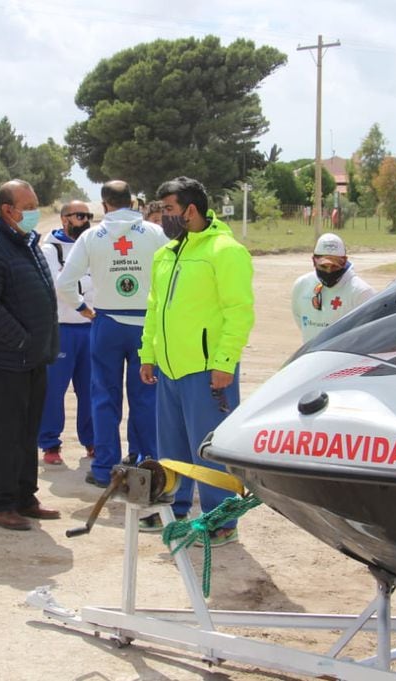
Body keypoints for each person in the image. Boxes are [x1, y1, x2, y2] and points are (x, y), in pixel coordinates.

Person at [138, 176, 254, 547]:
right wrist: (148, 354)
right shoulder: (166, 255)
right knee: (171, 446)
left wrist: (225, 362)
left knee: (209, 449)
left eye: (168, 210)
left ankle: (222, 521)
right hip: (170, 370)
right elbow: (154, 310)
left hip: (207, 371)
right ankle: (175, 509)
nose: (163, 218)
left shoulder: (225, 250)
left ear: (191, 210)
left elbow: (239, 312)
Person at [57, 181, 168, 487]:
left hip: (106, 323)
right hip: (146, 324)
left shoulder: (93, 236)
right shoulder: (156, 234)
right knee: (145, 396)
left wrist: (82, 308)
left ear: (103, 204)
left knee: (104, 396)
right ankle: (145, 465)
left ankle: (105, 467)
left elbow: (65, 283)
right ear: (131, 201)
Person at [0, 179, 61, 531]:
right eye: (30, 205)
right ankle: (2, 502)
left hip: (35, 358)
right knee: (8, 433)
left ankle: (26, 496)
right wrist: (21, 341)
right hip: (10, 359)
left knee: (28, 431)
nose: (36, 211)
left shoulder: (27, 243)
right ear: (8, 210)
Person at [38, 201, 96, 465]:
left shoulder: (94, 246)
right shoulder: (49, 249)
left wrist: (75, 282)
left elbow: (97, 281)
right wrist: (84, 284)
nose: (85, 221)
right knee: (53, 390)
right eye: (79, 216)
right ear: (64, 219)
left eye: (88, 216)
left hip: (92, 329)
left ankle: (93, 441)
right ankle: (50, 444)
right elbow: (56, 286)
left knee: (91, 390)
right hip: (61, 330)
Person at [291, 232, 376, 344]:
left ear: (344, 261)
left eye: (334, 266)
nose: (328, 271)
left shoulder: (361, 292)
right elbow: (301, 321)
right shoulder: (301, 285)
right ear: (313, 261)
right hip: (311, 356)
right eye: (323, 266)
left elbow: (370, 334)